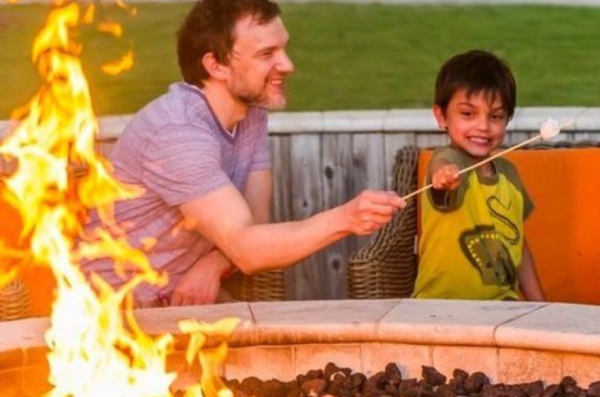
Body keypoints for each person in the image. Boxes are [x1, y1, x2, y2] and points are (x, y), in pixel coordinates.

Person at [82, 0, 406, 307]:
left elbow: (255, 223)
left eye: (283, 48)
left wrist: (214, 263)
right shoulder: (178, 132)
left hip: (180, 296)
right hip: (116, 307)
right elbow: (249, 251)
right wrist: (346, 218)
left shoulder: (250, 114)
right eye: (267, 53)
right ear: (216, 65)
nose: (288, 65)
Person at [412, 50, 545, 301]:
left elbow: (518, 247)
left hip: (504, 307)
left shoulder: (509, 174)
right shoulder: (447, 162)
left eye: (495, 116)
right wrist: (443, 176)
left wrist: (542, 306)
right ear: (442, 117)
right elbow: (440, 167)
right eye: (468, 113)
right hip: (439, 309)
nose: (483, 126)